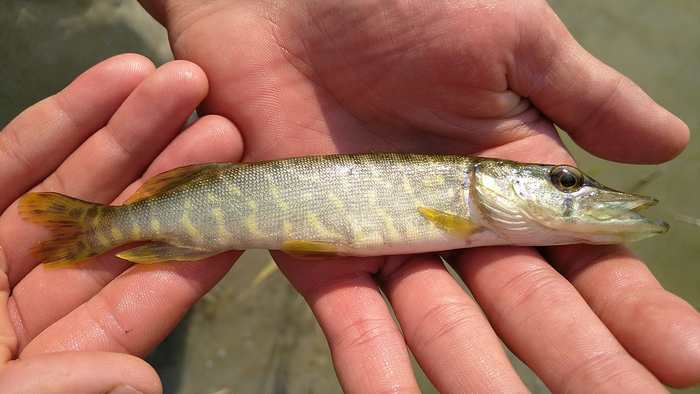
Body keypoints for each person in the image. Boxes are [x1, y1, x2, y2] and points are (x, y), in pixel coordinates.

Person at [1, 0, 698, 392]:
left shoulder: (475, 207)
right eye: (565, 181)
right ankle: (97, 229)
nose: (571, 188)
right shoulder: (462, 197)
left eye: (566, 183)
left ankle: (99, 231)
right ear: (488, 185)